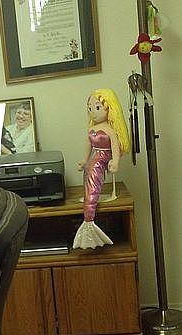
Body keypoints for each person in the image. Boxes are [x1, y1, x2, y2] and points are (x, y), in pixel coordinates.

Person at [73, 89, 130, 249]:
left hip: (104, 157)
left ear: (108, 108)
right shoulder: (91, 129)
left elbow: (115, 148)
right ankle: (89, 203)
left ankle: (89, 217)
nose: (93, 112)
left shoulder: (110, 130)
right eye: (90, 108)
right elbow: (88, 146)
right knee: (88, 171)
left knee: (94, 170)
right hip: (94, 156)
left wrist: (115, 161)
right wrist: (84, 160)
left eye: (97, 108)